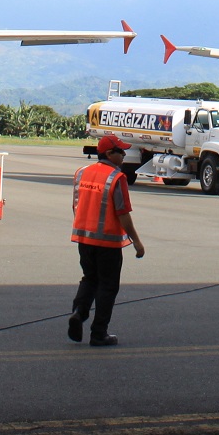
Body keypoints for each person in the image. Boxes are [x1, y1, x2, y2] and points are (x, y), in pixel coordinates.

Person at [68, 133, 145, 347]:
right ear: (110, 154)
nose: (124, 154)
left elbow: (76, 204)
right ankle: (98, 333)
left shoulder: (82, 173)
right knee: (108, 286)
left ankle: (78, 312)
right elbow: (123, 213)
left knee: (89, 279)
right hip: (108, 242)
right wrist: (136, 242)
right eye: (121, 151)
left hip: (84, 238)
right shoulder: (116, 178)